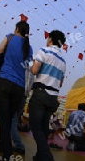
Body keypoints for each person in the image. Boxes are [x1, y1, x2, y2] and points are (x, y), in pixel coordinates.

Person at [0, 21, 32, 161]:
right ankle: (3, 146)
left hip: (5, 81)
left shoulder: (10, 37)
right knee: (9, 120)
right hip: (19, 88)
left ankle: (7, 155)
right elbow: (27, 67)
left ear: (17, 29)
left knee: (4, 121)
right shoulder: (30, 48)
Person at [29, 30, 66, 161]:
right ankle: (40, 156)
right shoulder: (63, 61)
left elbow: (34, 70)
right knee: (44, 128)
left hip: (40, 93)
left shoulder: (44, 51)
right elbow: (61, 83)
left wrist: (31, 66)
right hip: (53, 98)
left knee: (35, 126)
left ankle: (47, 157)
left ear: (50, 39)